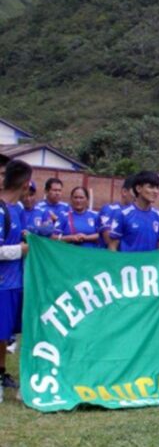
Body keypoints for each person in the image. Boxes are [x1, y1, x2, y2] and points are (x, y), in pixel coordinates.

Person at [0, 160, 31, 399]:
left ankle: (5, 374)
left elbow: (22, 236)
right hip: (3, 283)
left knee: (8, 335)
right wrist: (19, 250)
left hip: (17, 282)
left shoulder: (18, 209)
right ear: (25, 183)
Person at [108, 171, 159, 252]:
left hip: (150, 264)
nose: (156, 191)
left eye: (157, 187)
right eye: (151, 187)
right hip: (128, 263)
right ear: (138, 188)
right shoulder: (122, 214)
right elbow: (112, 247)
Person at [100, 176, 134, 247]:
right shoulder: (109, 209)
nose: (138, 196)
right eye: (135, 192)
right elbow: (108, 240)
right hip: (111, 256)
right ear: (124, 192)